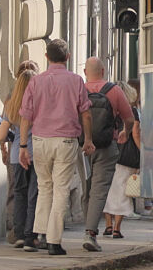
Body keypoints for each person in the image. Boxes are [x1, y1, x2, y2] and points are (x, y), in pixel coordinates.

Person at [18, 39, 95, 256]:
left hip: (40, 139)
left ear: (46, 57)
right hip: (65, 140)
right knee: (61, 189)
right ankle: (54, 240)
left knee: (45, 187)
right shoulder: (76, 80)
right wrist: (88, 139)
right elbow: (86, 113)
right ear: (68, 57)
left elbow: (25, 116)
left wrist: (23, 145)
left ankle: (40, 233)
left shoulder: (36, 82)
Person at [81, 57, 135, 252]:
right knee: (99, 190)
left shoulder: (79, 89)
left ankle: (51, 233)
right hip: (105, 146)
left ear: (85, 72)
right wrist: (125, 132)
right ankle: (90, 233)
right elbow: (129, 118)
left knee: (85, 190)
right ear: (103, 71)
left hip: (81, 147)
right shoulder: (114, 90)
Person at [0, 61, 39, 249]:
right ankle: (32, 234)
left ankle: (19, 233)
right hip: (37, 153)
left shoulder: (11, 105)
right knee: (34, 195)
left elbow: (1, 134)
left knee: (18, 194)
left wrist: (4, 147)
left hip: (16, 155)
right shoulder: (40, 104)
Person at [102, 81, 141, 238]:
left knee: (109, 190)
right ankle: (117, 228)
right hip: (127, 155)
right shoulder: (132, 111)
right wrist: (143, 152)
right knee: (123, 192)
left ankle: (108, 225)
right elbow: (136, 133)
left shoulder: (110, 109)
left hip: (110, 151)